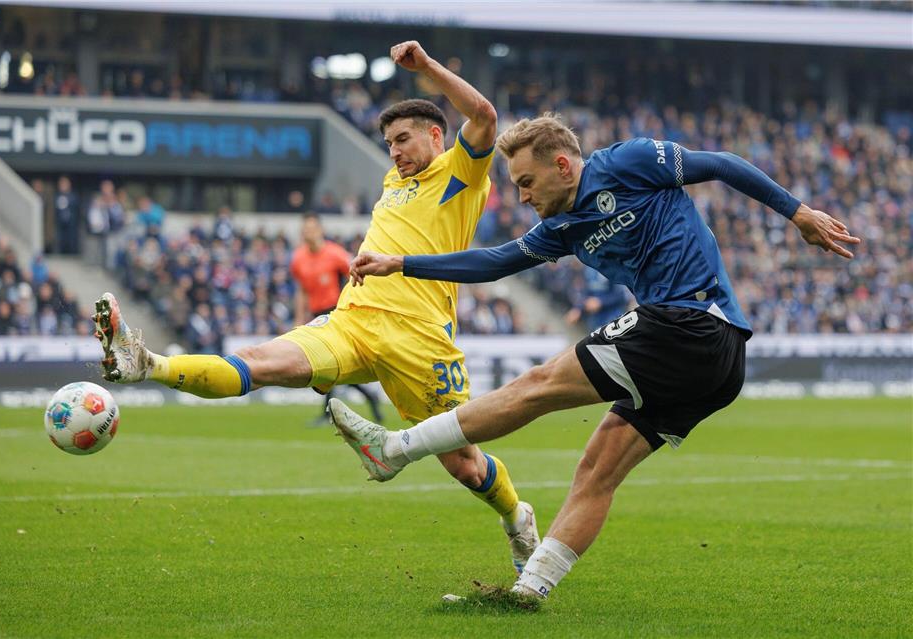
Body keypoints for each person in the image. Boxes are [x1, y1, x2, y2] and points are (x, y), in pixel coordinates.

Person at [329, 113, 861, 601]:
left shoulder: (628, 162)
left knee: (537, 386)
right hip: (711, 361)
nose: (522, 197)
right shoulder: (561, 228)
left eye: (527, 182)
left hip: (691, 324)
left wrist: (798, 213)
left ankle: (396, 449)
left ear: (562, 166)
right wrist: (403, 263)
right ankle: (530, 590)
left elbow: (721, 163)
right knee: (596, 470)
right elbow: (495, 262)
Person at [92, 41, 539, 573]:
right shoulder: (393, 182)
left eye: (403, 139)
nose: (394, 152)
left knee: (464, 465)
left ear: (436, 136)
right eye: (389, 143)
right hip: (352, 322)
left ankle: (517, 519)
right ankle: (148, 364)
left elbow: (484, 115)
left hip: (419, 338)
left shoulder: (459, 176)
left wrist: (424, 68)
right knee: (258, 361)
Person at [290, 212, 383, 425]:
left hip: (335, 313)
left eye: (312, 228)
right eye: (305, 229)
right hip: (316, 315)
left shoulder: (335, 253)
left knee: (329, 363)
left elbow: (356, 273)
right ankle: (369, 396)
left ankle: (327, 413)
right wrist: (299, 318)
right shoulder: (298, 259)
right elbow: (301, 291)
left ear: (320, 230)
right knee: (331, 366)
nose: (308, 232)